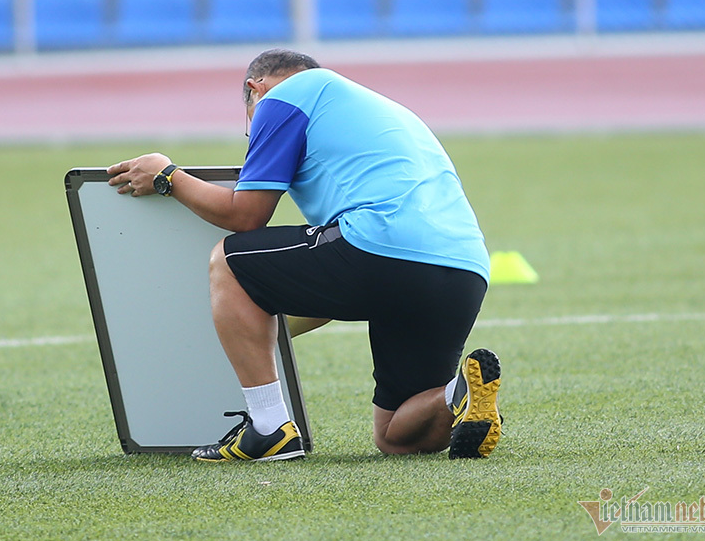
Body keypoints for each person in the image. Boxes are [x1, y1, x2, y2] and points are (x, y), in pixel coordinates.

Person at [106, 49, 502, 462]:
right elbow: (322, 296)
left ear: (253, 90)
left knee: (231, 261)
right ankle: (457, 395)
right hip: (464, 270)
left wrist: (168, 176)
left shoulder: (283, 97)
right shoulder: (378, 108)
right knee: (395, 437)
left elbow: (246, 215)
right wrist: (250, 335)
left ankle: (268, 429)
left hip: (380, 246)